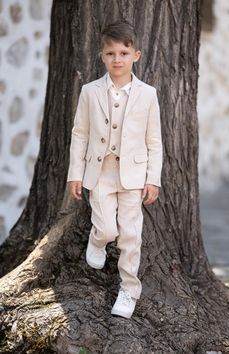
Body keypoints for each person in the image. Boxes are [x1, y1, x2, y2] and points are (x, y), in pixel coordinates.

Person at [67, 20, 163, 319]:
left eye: (123, 53)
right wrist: (75, 173)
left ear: (136, 55)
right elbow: (79, 133)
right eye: (111, 54)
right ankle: (96, 240)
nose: (117, 59)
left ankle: (129, 289)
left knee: (130, 235)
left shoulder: (148, 94)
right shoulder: (90, 91)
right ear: (102, 56)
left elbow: (154, 140)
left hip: (134, 176)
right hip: (101, 172)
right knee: (108, 227)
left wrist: (153, 178)